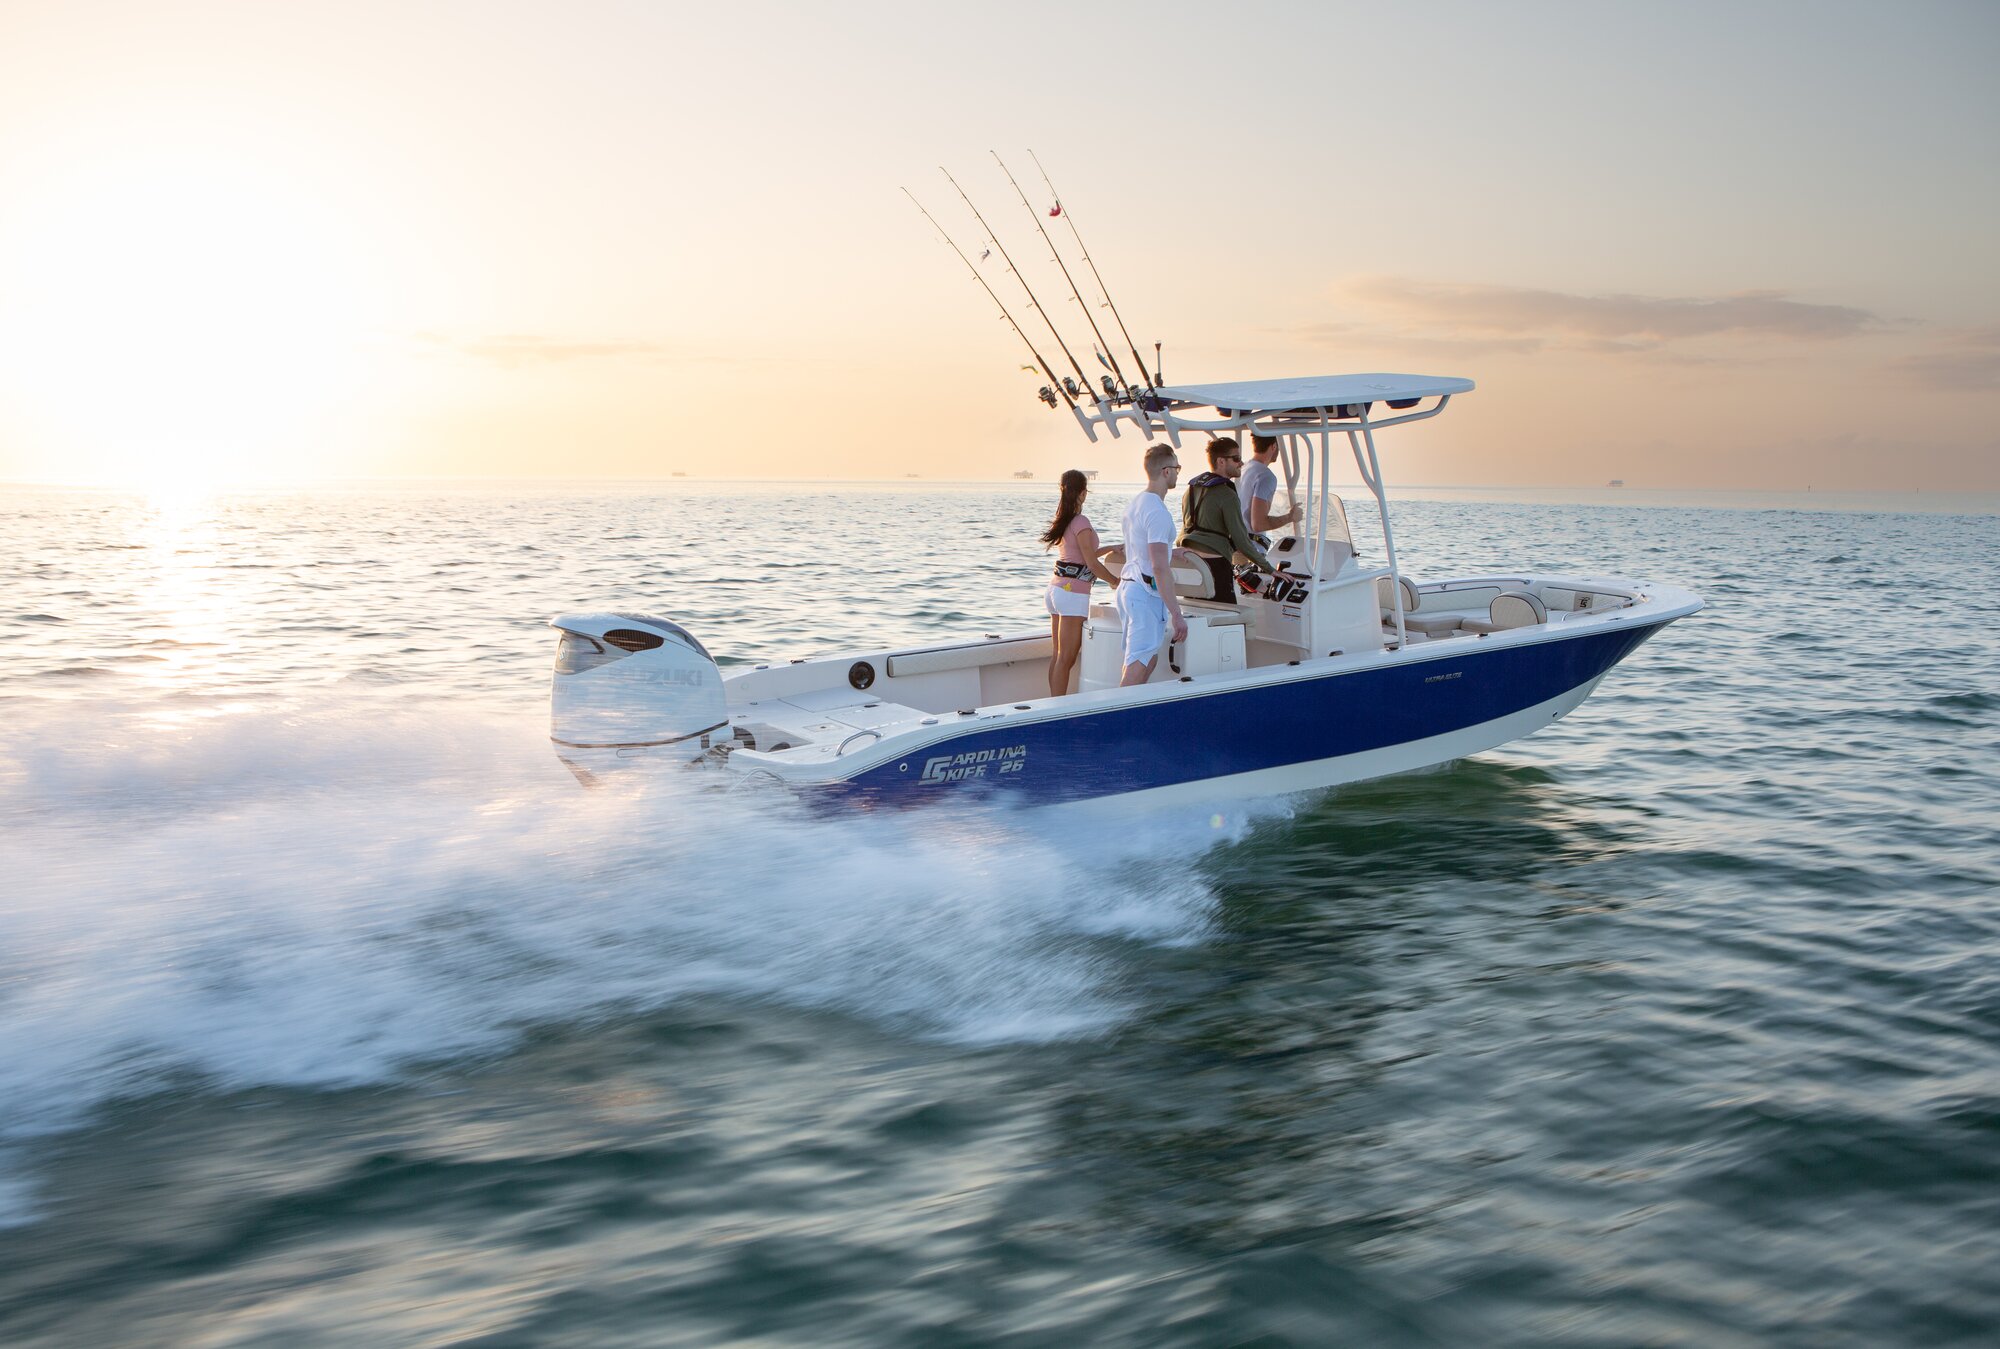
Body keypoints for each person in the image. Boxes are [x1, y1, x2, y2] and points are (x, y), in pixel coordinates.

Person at [1040, 469, 1121, 698]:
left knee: (1058, 656)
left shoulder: (1064, 520)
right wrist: (1115, 581)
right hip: (1073, 593)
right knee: (1067, 658)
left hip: (1056, 589)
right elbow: (1091, 563)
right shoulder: (1081, 521)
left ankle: (1053, 703)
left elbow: (1081, 555)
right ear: (1083, 493)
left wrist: (1110, 548)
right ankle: (1057, 709)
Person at [1117, 444, 1189, 686]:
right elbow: (1159, 568)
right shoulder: (1157, 511)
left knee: (1148, 661)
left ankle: (1130, 718)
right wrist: (1177, 614)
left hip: (1130, 588)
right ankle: (1119, 721)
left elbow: (1141, 548)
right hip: (1145, 594)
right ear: (1166, 471)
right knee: (1138, 665)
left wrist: (1172, 550)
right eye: (1177, 467)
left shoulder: (1136, 504)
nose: (1179, 472)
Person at [1177, 436, 1277, 603]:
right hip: (1214, 566)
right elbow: (1241, 541)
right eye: (1236, 458)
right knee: (1229, 618)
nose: (1241, 463)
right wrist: (1271, 570)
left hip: (1190, 564)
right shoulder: (1227, 494)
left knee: (1199, 613)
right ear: (1221, 462)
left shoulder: (1191, 489)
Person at [1240, 434, 1300, 536]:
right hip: (1251, 548)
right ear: (1274, 446)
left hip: (1237, 543)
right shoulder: (1265, 476)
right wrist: (1290, 517)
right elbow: (1258, 524)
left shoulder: (1242, 468)